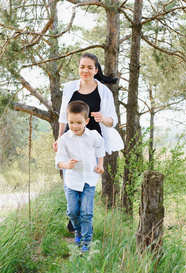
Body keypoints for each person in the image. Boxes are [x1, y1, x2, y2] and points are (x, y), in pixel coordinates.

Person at [53, 53, 124, 234]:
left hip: (92, 142)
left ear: (96, 70)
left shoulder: (104, 91)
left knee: (88, 179)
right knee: (70, 173)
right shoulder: (69, 88)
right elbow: (63, 115)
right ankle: (73, 214)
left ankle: (85, 218)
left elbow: (112, 120)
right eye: (82, 67)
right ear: (78, 68)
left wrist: (103, 118)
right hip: (70, 140)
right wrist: (60, 137)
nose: (85, 70)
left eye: (89, 67)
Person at [55, 101, 105, 253]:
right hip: (72, 181)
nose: (75, 126)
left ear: (86, 121)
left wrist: (100, 164)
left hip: (89, 179)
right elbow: (58, 161)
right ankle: (77, 231)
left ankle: (86, 242)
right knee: (72, 212)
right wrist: (67, 164)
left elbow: (100, 147)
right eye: (71, 122)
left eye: (79, 122)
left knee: (86, 212)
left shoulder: (93, 136)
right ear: (67, 120)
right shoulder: (64, 140)